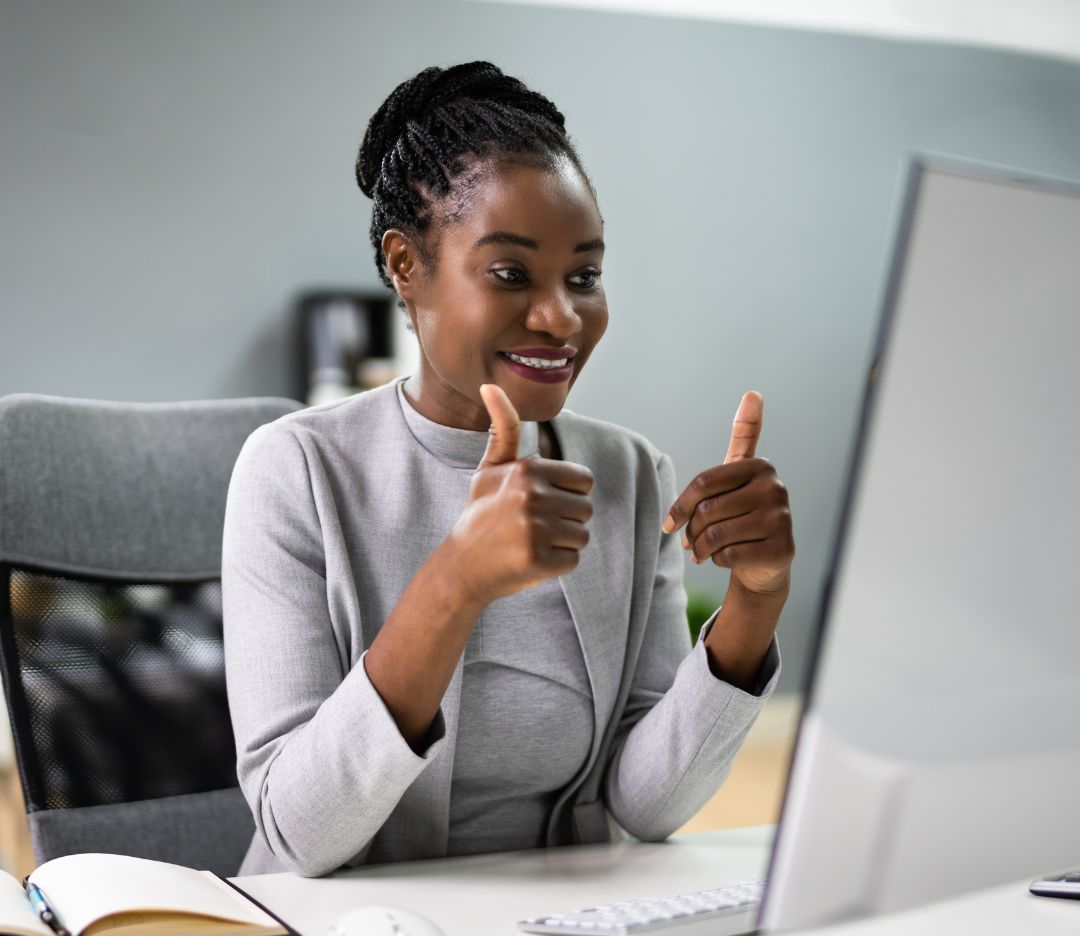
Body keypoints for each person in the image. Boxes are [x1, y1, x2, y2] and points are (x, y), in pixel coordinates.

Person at [221, 61, 795, 878]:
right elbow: (298, 833)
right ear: (405, 265)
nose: (562, 315)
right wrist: (455, 582)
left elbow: (646, 805)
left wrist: (756, 600)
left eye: (585, 276)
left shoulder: (630, 477)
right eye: (510, 273)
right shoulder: (296, 471)